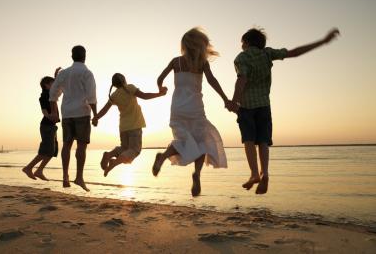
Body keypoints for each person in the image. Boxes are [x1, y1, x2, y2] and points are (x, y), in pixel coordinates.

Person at [228, 28, 340, 194]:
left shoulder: (241, 58)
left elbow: (242, 79)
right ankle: (264, 173)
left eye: (242, 42)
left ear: (247, 42)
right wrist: (322, 42)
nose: (241, 45)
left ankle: (253, 174)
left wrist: (234, 101)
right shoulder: (267, 54)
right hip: (264, 106)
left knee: (249, 140)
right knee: (264, 141)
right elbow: (294, 53)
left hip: (246, 107)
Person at [152, 27, 229, 197]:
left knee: (181, 139)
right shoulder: (202, 63)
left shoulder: (176, 62)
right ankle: (197, 174)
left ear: (184, 45)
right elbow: (212, 81)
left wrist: (161, 89)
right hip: (195, 107)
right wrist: (225, 98)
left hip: (178, 107)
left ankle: (163, 156)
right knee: (201, 141)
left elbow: (159, 79)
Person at [92, 73, 167, 176]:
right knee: (134, 150)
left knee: (124, 149)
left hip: (123, 128)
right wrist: (159, 94)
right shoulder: (129, 88)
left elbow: (104, 110)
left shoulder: (114, 95)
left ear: (114, 85)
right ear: (124, 80)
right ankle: (115, 162)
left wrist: (96, 118)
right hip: (135, 126)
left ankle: (110, 154)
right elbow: (144, 96)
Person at [50, 45, 97, 192]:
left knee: (67, 145)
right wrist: (96, 115)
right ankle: (79, 177)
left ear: (72, 56)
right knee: (81, 146)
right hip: (82, 112)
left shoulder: (64, 73)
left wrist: (54, 113)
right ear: (84, 56)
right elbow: (91, 97)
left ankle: (65, 176)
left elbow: (53, 94)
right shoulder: (87, 73)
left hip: (67, 113)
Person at [22, 68, 61, 181]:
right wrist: (50, 116)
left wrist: (56, 77)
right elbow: (43, 110)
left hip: (52, 126)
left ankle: (39, 170)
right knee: (46, 151)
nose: (54, 86)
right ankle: (28, 168)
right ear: (46, 85)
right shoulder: (44, 96)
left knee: (52, 151)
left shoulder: (52, 94)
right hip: (46, 126)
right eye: (52, 84)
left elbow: (58, 88)